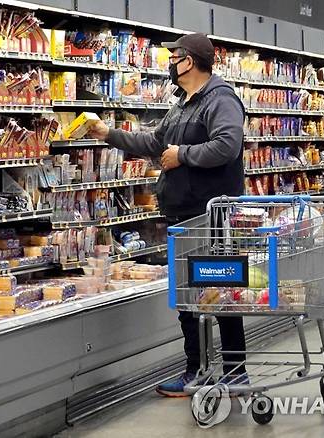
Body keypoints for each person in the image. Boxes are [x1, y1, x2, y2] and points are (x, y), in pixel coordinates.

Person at [88, 33, 248, 397]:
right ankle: (197, 370)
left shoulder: (220, 100)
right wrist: (107, 133)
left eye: (174, 56)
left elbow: (227, 145)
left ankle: (236, 373)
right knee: (188, 300)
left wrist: (183, 155)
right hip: (183, 216)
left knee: (220, 293)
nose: (170, 63)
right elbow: (155, 143)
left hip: (212, 217)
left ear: (189, 61)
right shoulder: (182, 103)